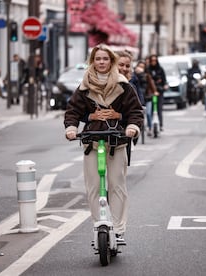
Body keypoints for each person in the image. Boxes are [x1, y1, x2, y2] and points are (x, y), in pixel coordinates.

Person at [64, 44, 144, 244]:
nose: (101, 62)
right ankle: (99, 223)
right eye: (97, 59)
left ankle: (118, 229)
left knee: (117, 184)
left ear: (111, 61)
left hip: (116, 139)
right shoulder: (84, 86)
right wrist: (72, 128)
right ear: (92, 62)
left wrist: (131, 126)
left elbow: (135, 110)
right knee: (93, 185)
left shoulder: (124, 85)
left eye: (105, 59)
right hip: (92, 140)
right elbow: (72, 110)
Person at [133, 60, 158, 136]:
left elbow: (151, 84)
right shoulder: (134, 76)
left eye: (142, 67)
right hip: (138, 98)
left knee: (148, 114)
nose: (141, 69)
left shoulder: (147, 75)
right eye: (139, 67)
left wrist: (155, 91)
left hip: (147, 97)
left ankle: (150, 128)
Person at [146, 54, 168, 131]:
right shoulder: (147, 69)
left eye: (155, 60)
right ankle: (150, 126)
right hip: (150, 92)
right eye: (152, 60)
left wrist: (165, 85)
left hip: (159, 91)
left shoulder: (160, 69)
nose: (153, 62)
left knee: (159, 109)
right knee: (150, 110)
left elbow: (164, 80)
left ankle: (161, 125)